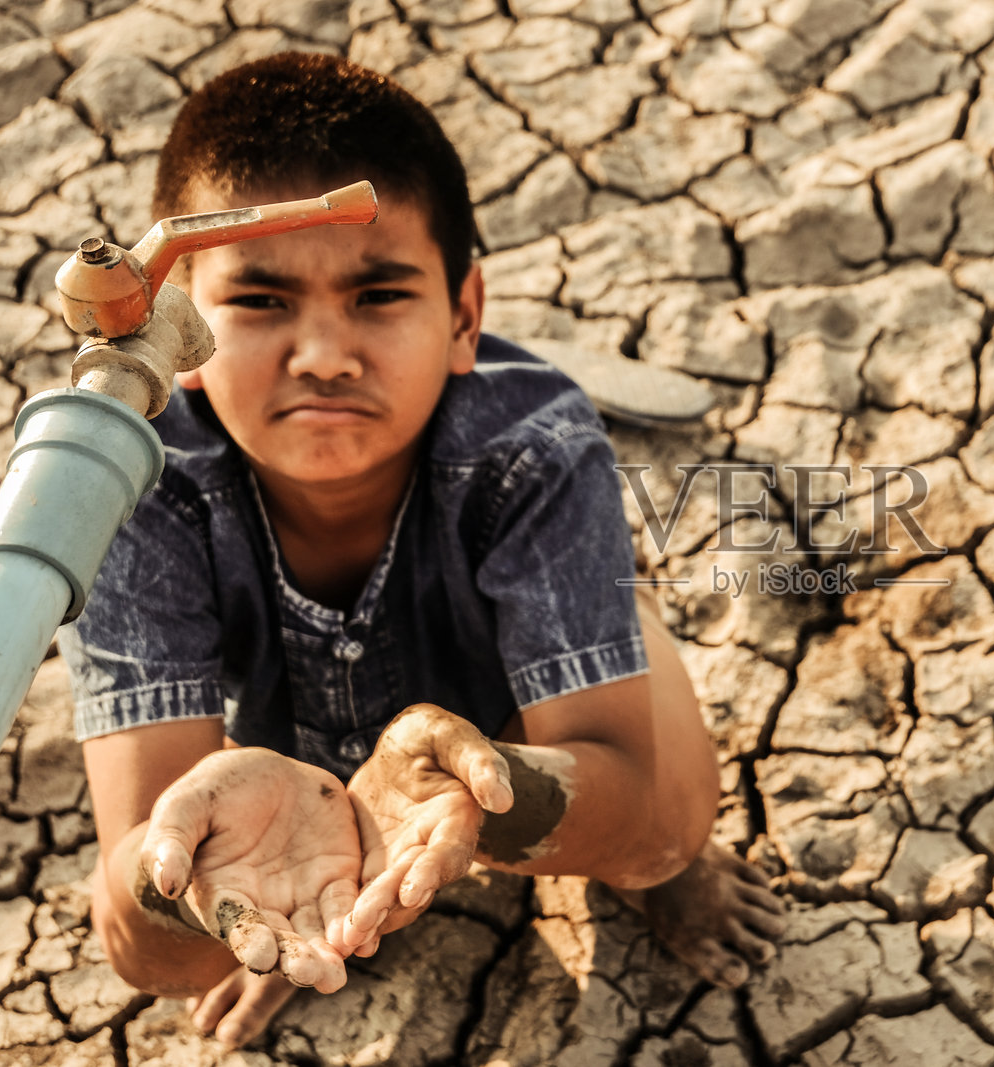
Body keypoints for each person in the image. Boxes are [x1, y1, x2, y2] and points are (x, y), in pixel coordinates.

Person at [59, 52, 786, 1050]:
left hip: (507, 715)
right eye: (261, 302)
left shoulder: (531, 452)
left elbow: (632, 799)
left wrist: (478, 796)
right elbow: (133, 929)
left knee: (666, 833)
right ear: (176, 326)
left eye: (379, 294)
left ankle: (601, 644)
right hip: (282, 746)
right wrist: (206, 887)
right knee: (211, 924)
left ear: (464, 316)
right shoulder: (131, 487)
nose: (322, 353)